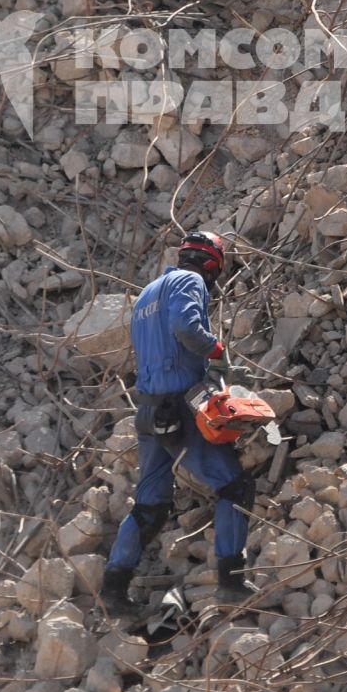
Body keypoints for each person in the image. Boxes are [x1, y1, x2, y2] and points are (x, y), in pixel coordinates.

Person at [101, 231, 260, 611]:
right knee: (234, 486)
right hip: (181, 408)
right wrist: (218, 350)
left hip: (149, 412)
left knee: (151, 503)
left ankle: (112, 590)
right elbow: (187, 328)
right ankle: (231, 581)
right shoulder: (189, 281)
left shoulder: (146, 293)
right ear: (212, 265)